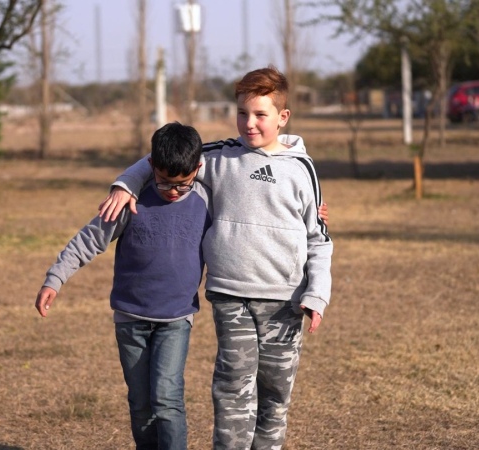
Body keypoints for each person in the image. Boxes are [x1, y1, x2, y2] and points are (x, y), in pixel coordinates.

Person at [99, 66, 333, 450]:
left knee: (274, 395)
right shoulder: (219, 157)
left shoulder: (302, 169)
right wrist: (126, 185)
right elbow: (163, 159)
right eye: (243, 113)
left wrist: (317, 294)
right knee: (232, 392)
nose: (250, 123)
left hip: (285, 301)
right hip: (230, 295)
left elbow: (319, 239)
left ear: (283, 117)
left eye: (261, 114)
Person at [35, 122, 211, 450]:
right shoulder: (129, 201)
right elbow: (90, 239)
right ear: (151, 168)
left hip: (176, 319)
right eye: (164, 182)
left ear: (197, 170)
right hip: (130, 319)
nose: (173, 191)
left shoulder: (206, 201)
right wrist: (55, 279)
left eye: (182, 184)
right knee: (141, 404)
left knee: (167, 399)